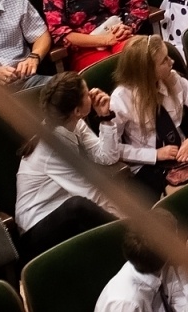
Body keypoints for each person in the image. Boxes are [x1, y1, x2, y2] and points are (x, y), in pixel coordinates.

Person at [13, 71, 122, 263]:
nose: (92, 94)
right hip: (37, 228)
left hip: (64, 208)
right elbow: (90, 195)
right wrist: (128, 221)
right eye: (87, 93)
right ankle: (130, 239)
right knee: (79, 205)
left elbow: (106, 157)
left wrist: (105, 117)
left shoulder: (73, 122)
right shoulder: (53, 148)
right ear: (77, 111)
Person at [109, 34, 188, 195]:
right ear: (147, 72)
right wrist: (155, 155)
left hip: (183, 154)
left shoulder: (173, 78)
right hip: (147, 164)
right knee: (184, 195)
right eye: (164, 61)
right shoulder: (121, 98)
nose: (171, 62)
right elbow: (113, 149)